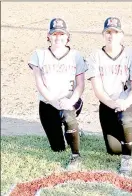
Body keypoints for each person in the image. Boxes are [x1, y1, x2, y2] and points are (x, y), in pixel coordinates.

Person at [86, 17, 132, 175]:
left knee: (125, 118)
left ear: (121, 35)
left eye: (115, 32)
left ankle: (127, 158)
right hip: (107, 104)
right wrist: (114, 104)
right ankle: (130, 132)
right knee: (113, 149)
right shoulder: (96, 56)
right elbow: (98, 92)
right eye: (108, 32)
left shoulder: (130, 54)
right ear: (103, 34)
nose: (111, 36)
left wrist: (124, 103)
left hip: (129, 102)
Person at [28, 18, 87, 170]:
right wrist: (53, 101)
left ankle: (75, 152)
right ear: (48, 36)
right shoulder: (39, 55)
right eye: (54, 34)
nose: (58, 38)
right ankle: (72, 129)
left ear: (68, 37)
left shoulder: (75, 55)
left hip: (69, 101)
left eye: (61, 34)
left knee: (68, 116)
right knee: (58, 148)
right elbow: (39, 83)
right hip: (48, 103)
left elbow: (80, 85)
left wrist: (70, 101)